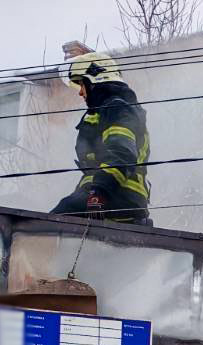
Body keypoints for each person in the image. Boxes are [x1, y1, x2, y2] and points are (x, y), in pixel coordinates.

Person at [51, 52, 152, 224]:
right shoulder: (104, 111)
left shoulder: (117, 109)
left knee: (48, 225)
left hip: (119, 195)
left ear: (94, 82)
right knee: (60, 215)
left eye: (82, 84)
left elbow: (122, 152)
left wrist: (99, 192)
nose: (80, 93)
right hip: (108, 193)